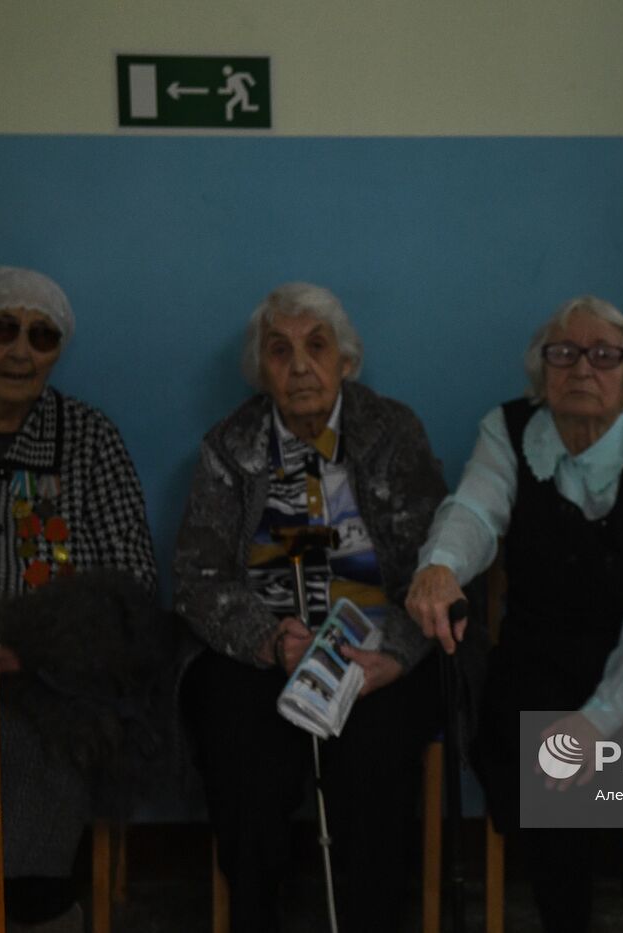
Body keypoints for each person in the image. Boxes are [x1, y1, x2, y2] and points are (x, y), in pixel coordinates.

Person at [175, 282, 446, 933]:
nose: (300, 366)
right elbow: (198, 577)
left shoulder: (393, 431)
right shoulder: (230, 446)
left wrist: (396, 655)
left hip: (378, 643)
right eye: (280, 350)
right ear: (260, 369)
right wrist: (271, 641)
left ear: (346, 361)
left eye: (316, 347)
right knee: (243, 759)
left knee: (376, 764)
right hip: (264, 647)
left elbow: (432, 562)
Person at [408, 296, 623, 933]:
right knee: (540, 764)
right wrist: (442, 563)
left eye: (604, 356)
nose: (583, 368)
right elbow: (473, 510)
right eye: (564, 353)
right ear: (541, 369)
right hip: (534, 671)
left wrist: (595, 724)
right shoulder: (507, 432)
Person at [0, 265, 159, 933]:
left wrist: (30, 648)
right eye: (2, 328)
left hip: (54, 673)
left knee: (31, 735)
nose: (21, 351)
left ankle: (37, 911)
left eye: (42, 335)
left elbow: (133, 585)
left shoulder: (89, 438)